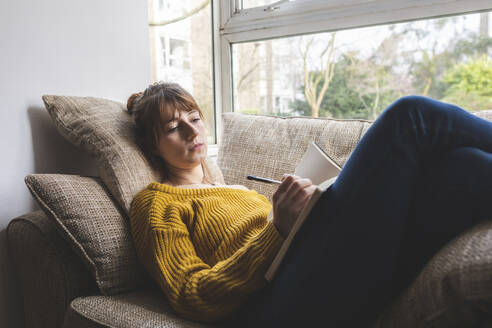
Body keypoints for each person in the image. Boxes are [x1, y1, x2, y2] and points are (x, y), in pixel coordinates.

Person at [127, 81, 492, 327]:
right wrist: (277, 230)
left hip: (328, 269)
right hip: (276, 306)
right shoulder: (154, 203)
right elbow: (189, 294)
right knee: (408, 117)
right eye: (175, 127)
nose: (192, 131)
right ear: (151, 146)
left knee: (464, 167)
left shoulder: (236, 190)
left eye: (194, 118)